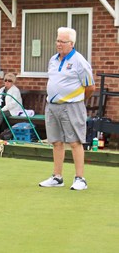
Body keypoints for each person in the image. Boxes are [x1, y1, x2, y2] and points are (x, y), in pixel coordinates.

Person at [39, 27, 95, 191]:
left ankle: (80, 179)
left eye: (62, 41)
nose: (58, 44)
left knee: (75, 142)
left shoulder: (79, 61)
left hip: (72, 106)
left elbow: (90, 87)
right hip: (52, 106)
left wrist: (77, 101)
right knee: (56, 142)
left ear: (71, 43)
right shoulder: (53, 59)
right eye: (57, 40)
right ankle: (57, 177)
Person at [0, 73, 23, 137]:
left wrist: (0, 110)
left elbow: (12, 104)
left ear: (13, 82)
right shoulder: (2, 89)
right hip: (2, 108)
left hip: (12, 110)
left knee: (1, 113)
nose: (7, 82)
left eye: (9, 81)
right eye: (5, 80)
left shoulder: (15, 90)